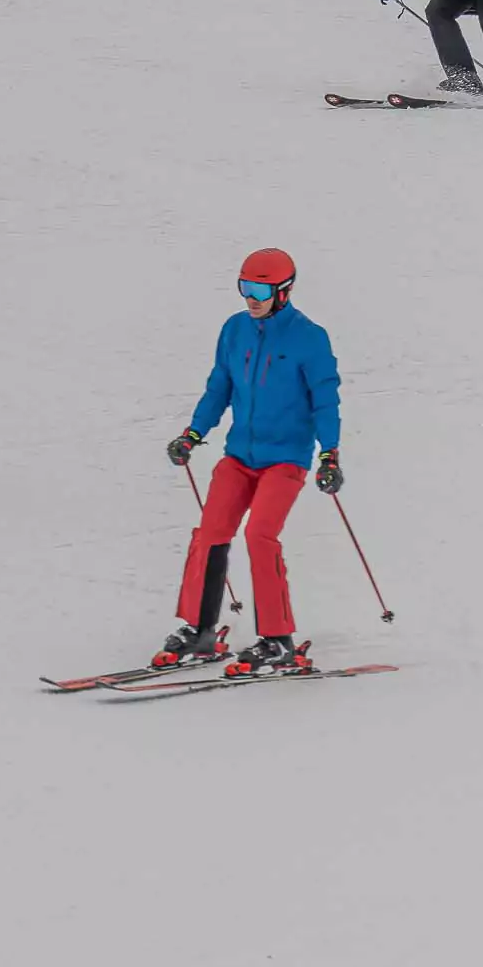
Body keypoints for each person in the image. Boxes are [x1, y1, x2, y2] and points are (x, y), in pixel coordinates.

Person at [159, 249, 343, 677]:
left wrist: (329, 453)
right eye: (245, 288)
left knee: (260, 534)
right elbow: (218, 388)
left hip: (285, 459)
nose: (251, 298)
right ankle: (200, 631)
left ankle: (278, 640)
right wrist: (193, 433)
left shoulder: (309, 338)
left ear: (284, 291)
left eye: (260, 290)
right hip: (240, 455)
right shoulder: (235, 330)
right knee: (210, 533)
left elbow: (325, 401)